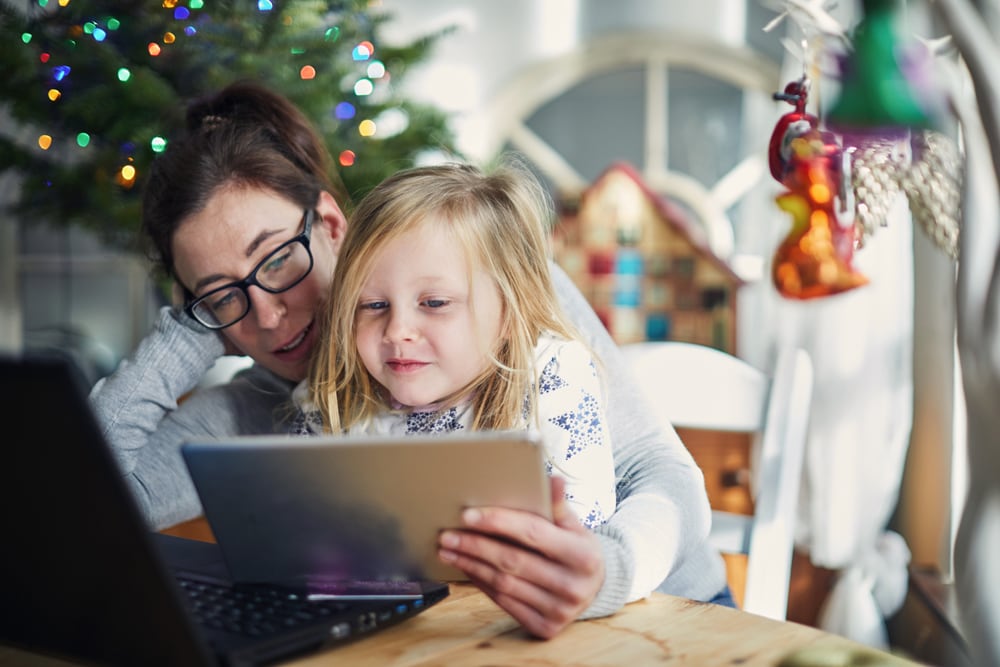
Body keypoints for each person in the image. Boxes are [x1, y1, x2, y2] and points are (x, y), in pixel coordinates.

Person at [88, 80, 730, 638]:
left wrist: (608, 571)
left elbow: (661, 471)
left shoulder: (487, 285)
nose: (267, 315)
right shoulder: (259, 406)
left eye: (277, 259)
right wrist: (194, 324)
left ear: (331, 227)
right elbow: (97, 495)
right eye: (223, 296)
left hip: (674, 615)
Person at [294, 160, 616, 530]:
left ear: (510, 311)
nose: (397, 331)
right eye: (373, 305)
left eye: (434, 303)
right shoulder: (334, 400)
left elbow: (583, 527)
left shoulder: (553, 374)